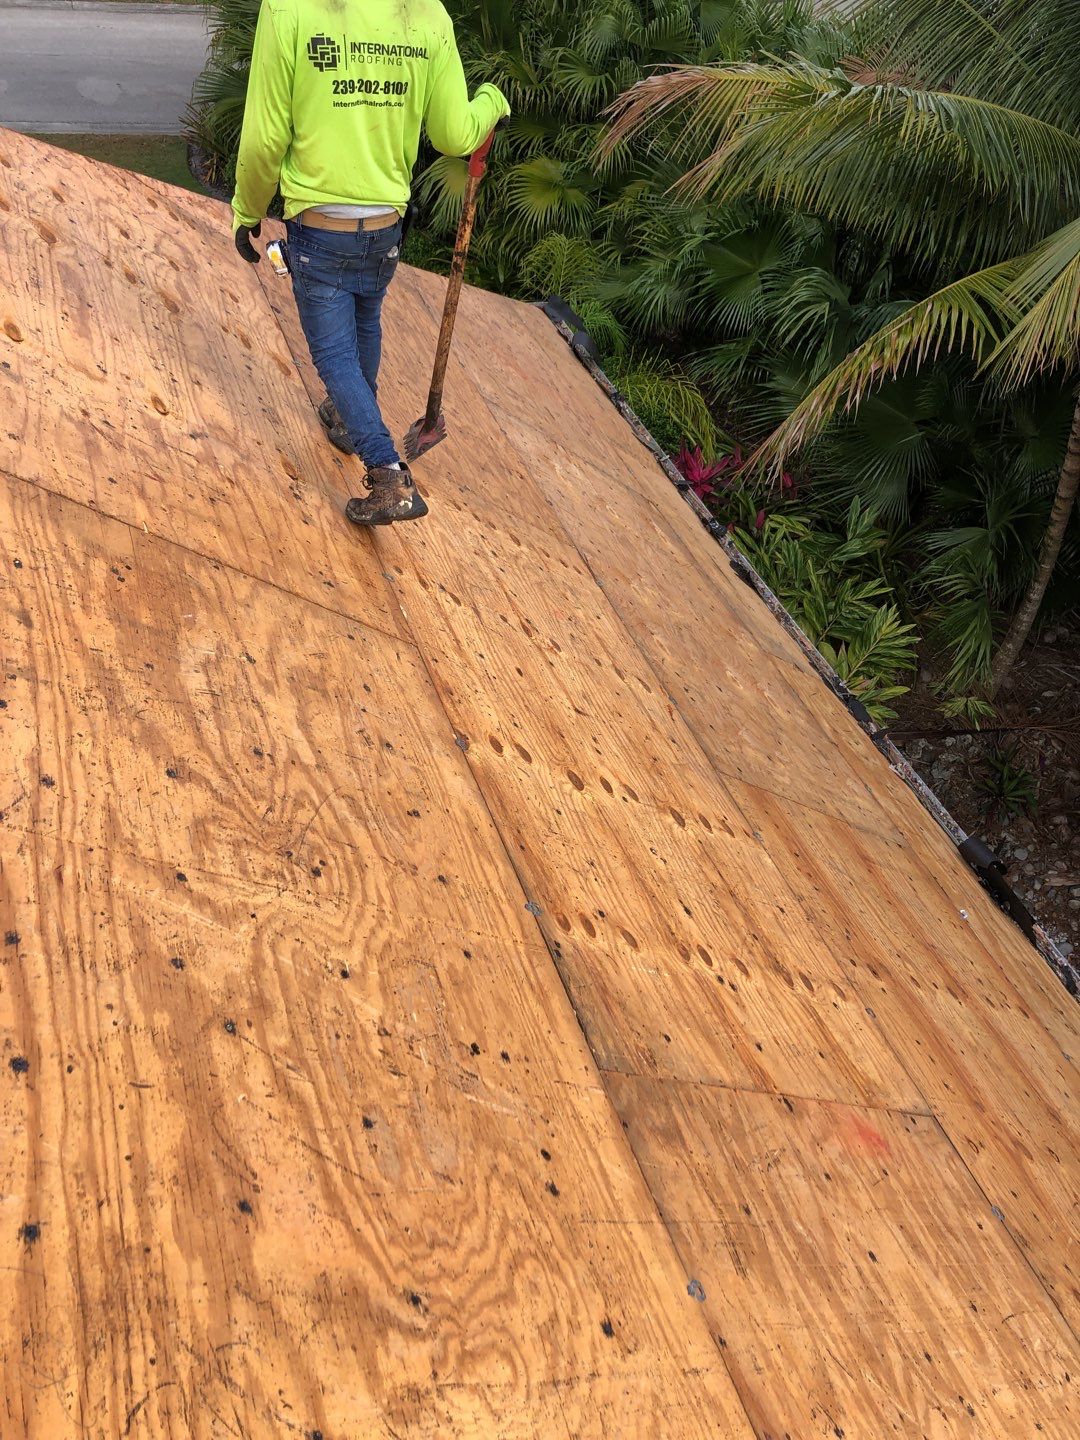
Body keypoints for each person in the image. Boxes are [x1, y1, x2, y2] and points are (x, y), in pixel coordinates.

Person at [230, 0, 509, 526]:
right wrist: (491, 101)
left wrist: (247, 210)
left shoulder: (288, 9)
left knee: (335, 356)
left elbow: (266, 139)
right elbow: (455, 134)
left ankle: (388, 475)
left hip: (321, 227)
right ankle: (347, 414)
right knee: (365, 320)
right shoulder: (427, 15)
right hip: (384, 228)